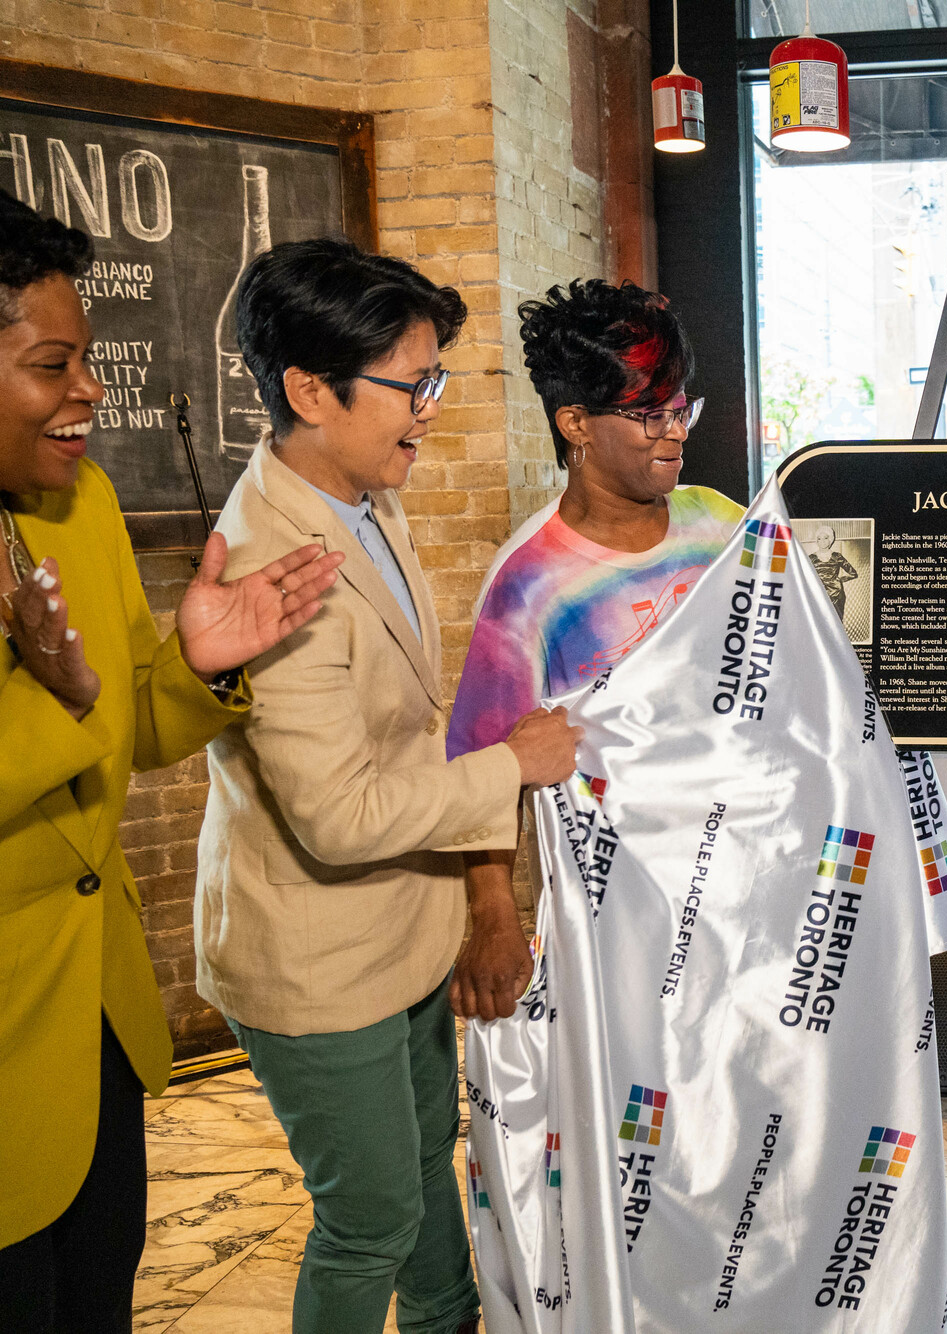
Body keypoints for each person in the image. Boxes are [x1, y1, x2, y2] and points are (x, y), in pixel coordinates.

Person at [194, 237, 581, 1334]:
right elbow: (337, 811)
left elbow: (404, 722)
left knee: (422, 1162)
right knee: (365, 1216)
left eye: (434, 380)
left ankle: (449, 1318)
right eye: (410, 385)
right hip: (318, 955)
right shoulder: (275, 557)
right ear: (309, 390)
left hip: (398, 929)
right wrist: (515, 764)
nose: (429, 409)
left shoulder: (361, 494)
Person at [0, 194, 341, 1331]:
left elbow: (130, 736)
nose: (89, 391)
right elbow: (77, 723)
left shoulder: (79, 500)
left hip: (92, 1017)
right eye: (54, 365)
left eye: (87, 359)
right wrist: (64, 701)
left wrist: (196, 665)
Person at [447, 278, 743, 994]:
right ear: (575, 424)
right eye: (648, 414)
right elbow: (485, 768)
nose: (675, 430)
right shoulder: (529, 582)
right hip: (622, 920)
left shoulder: (725, 528)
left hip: (752, 890)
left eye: (680, 408)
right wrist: (491, 919)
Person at [808, 525, 859, 622]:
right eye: (819, 538)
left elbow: (853, 573)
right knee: (819, 623)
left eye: (825, 538)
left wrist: (840, 579)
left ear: (830, 539)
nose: (822, 541)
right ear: (816, 541)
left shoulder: (837, 556)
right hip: (818, 594)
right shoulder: (811, 558)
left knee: (836, 623)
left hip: (836, 595)